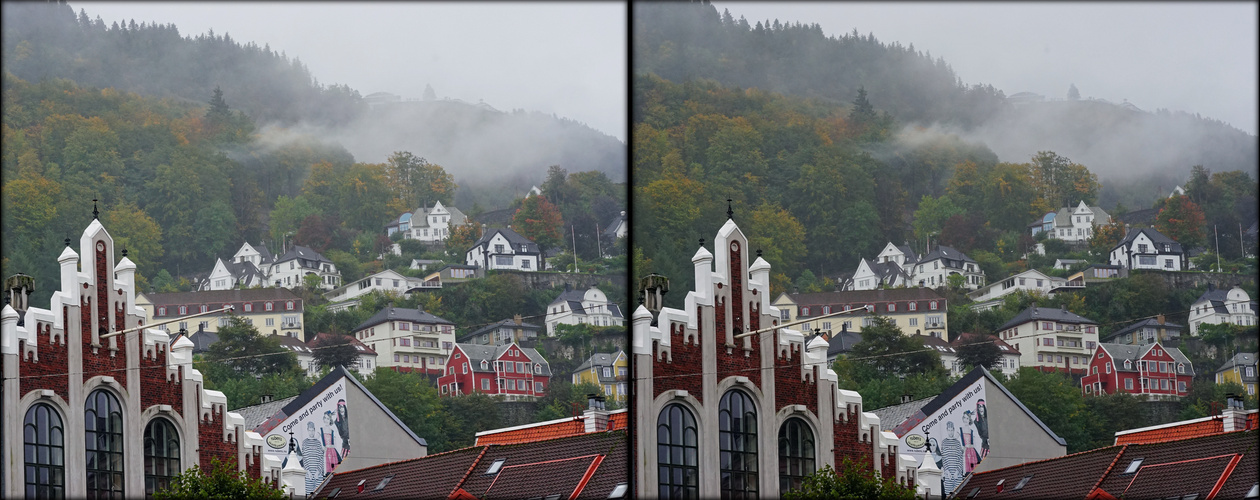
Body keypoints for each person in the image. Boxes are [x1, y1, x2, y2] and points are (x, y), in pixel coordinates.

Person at [301, 421, 325, 493]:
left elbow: (321, 458)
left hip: (318, 474)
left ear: (314, 430)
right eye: (310, 430)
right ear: (307, 430)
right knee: (309, 494)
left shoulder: (318, 443)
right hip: (309, 475)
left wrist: (318, 471)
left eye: (312, 430)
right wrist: (308, 472)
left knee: (319, 494)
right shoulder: (304, 443)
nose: (311, 432)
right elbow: (304, 459)